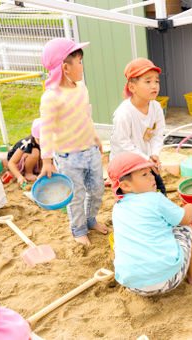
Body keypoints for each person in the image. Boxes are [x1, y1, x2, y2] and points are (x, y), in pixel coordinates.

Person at [39, 38, 107, 246]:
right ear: (65, 68)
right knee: (75, 196)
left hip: (90, 150)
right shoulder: (51, 97)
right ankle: (78, 229)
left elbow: (86, 116)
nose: (82, 66)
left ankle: (90, 219)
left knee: (97, 189)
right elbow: (47, 130)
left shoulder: (81, 89)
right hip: (68, 157)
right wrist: (47, 160)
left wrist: (95, 137)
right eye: (79, 62)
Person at [107, 152, 192, 296]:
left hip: (132, 284)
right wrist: (190, 208)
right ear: (126, 185)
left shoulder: (117, 208)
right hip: (167, 280)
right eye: (144, 174)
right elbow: (185, 219)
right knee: (186, 229)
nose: (152, 176)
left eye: (150, 172)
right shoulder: (155, 199)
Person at [109, 58, 166, 195]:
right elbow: (122, 142)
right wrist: (145, 159)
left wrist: (154, 154)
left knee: (158, 189)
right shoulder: (124, 113)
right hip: (125, 167)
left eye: (156, 81)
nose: (154, 86)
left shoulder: (156, 107)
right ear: (132, 87)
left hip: (145, 162)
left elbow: (158, 134)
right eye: (148, 81)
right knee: (130, 197)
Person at [7, 118, 42, 186]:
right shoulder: (27, 143)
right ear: (34, 135)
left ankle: (39, 170)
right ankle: (28, 173)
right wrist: (19, 176)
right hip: (18, 164)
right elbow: (11, 163)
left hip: (34, 161)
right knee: (35, 152)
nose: (42, 141)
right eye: (39, 139)